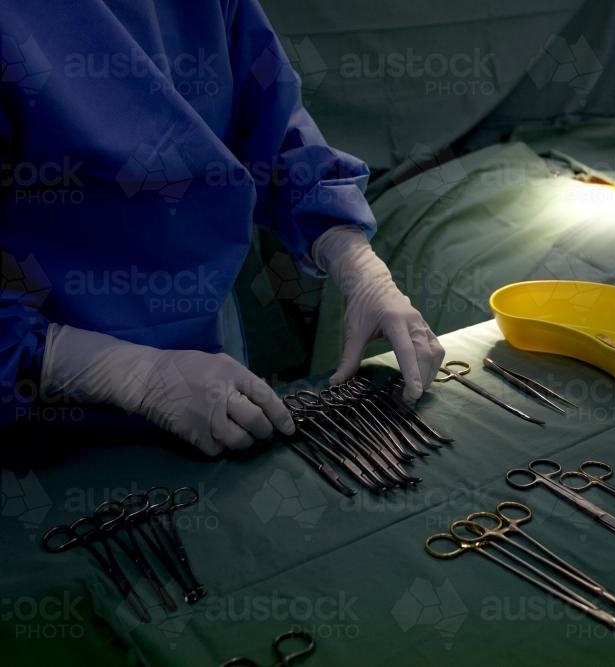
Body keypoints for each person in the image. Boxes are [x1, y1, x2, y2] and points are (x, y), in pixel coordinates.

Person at [0, 0, 445, 456]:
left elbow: (274, 130)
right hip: (42, 414)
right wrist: (124, 374)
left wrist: (356, 264)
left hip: (210, 376)